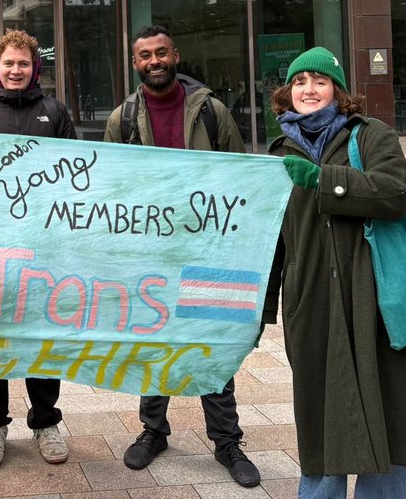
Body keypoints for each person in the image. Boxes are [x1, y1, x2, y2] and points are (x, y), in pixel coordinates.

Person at [103, 24, 260, 489]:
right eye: (145, 55)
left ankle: (227, 441)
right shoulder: (122, 119)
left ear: (176, 55)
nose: (155, 61)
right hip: (150, 255)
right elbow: (111, 191)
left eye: (162, 53)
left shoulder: (212, 112)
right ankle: (154, 431)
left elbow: (242, 181)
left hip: (207, 250)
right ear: (136, 63)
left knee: (211, 343)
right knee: (155, 343)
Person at [269, 47, 406, 499]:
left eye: (319, 81)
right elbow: (275, 239)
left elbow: (395, 193)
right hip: (313, 299)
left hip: (379, 297)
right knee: (321, 412)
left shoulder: (372, 134)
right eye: (299, 82)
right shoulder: (281, 149)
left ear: (337, 91)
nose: (309, 89)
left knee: (389, 409)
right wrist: (259, 308)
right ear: (288, 94)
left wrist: (323, 180)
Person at [0, 30, 73, 468]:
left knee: (41, 334)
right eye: (9, 63)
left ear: (35, 68)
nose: (16, 70)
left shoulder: (55, 112)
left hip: (41, 243)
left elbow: (76, 175)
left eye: (23, 64)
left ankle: (46, 421)